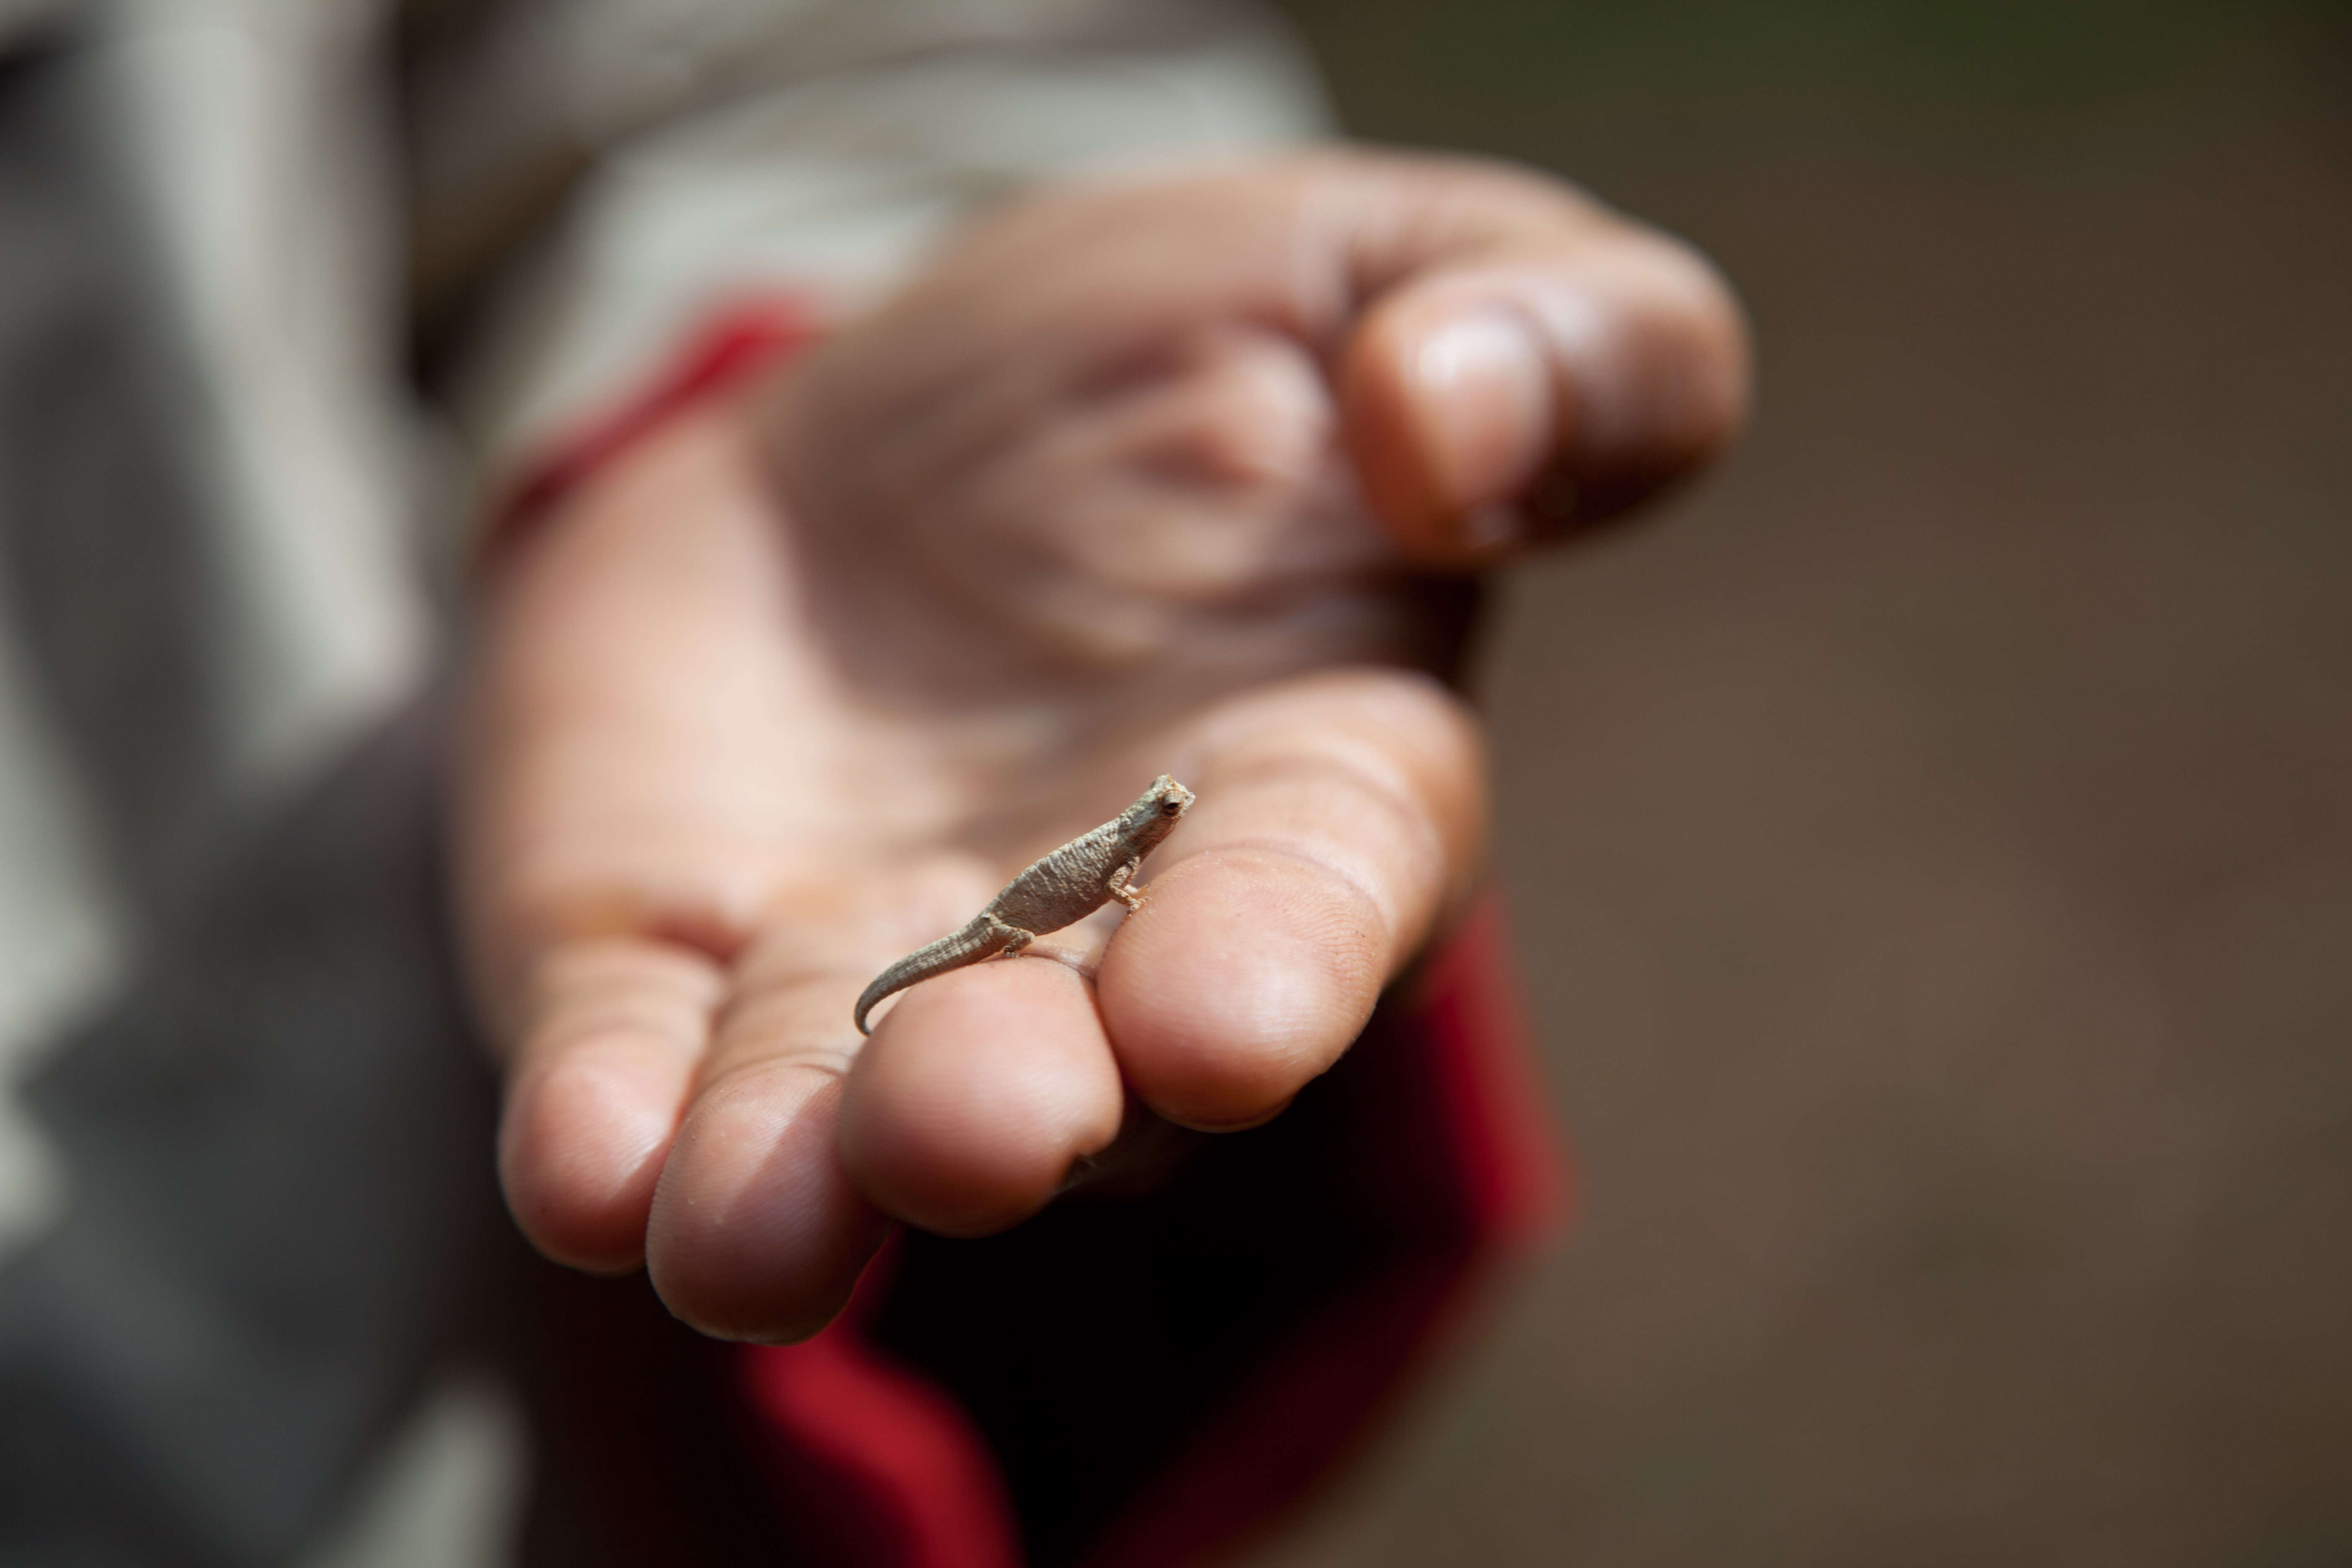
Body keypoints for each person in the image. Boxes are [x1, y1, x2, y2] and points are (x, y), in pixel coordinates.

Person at [0, 1, 1744, 1563]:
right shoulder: (1095, 872)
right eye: (1156, 831)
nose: (1157, 836)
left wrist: (857, 293)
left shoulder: (1133, 841)